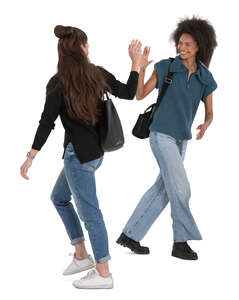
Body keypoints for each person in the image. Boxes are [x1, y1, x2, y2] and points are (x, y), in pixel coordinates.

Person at [20, 25, 141, 289]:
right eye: (87, 45)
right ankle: (81, 255)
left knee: (91, 214)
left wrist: (31, 156)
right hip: (95, 154)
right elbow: (129, 93)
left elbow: (46, 122)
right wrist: (135, 65)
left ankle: (104, 273)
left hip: (78, 158)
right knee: (59, 197)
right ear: (83, 48)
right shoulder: (96, 73)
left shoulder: (57, 83)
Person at [117, 17, 218, 260]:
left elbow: (210, 110)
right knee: (181, 189)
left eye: (188, 45)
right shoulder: (166, 67)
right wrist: (140, 68)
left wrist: (206, 123)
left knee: (164, 189)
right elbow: (140, 95)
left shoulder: (205, 77)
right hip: (161, 135)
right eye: (180, 43)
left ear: (200, 47)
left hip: (182, 140)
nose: (182, 48)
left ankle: (130, 234)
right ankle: (180, 242)